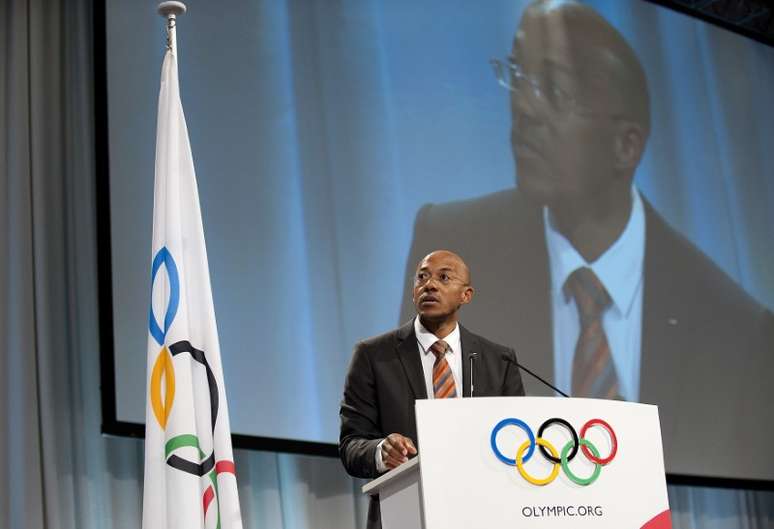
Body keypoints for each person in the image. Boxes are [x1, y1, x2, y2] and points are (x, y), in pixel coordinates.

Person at [400, 0, 774, 479]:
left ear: (626, 145)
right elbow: (410, 417)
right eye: (519, 76)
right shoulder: (453, 246)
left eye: (554, 89)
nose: (523, 107)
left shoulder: (734, 328)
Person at [340, 250, 524, 528]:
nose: (430, 285)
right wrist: (381, 450)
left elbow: (517, 441)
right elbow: (351, 444)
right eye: (422, 277)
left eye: (444, 277)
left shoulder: (499, 360)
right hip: (404, 514)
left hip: (482, 513)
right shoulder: (373, 355)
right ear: (413, 291)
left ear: (466, 295)